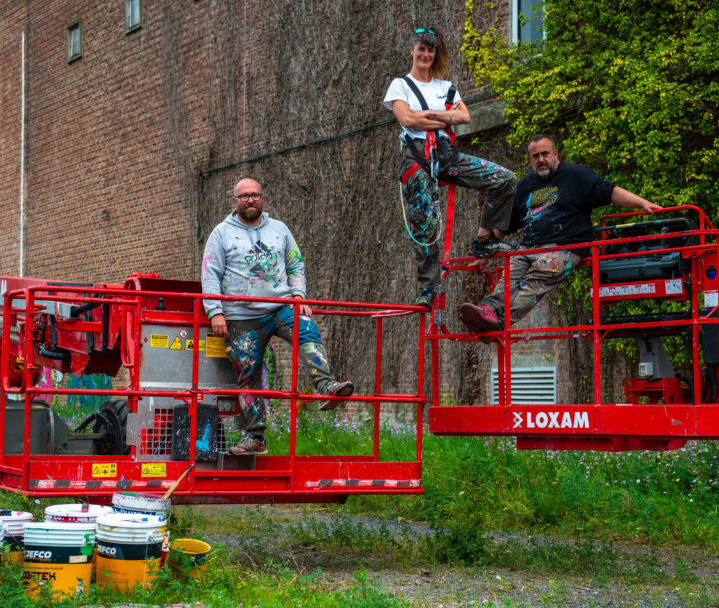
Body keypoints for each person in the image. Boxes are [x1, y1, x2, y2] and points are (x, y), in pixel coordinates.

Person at [201, 178, 353, 455]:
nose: (250, 200)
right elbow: (210, 273)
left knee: (307, 329)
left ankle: (326, 386)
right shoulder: (221, 233)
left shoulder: (279, 230)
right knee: (248, 373)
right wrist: (215, 312)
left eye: (255, 195)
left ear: (263, 198)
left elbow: (295, 264)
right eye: (244, 196)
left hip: (280, 306)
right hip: (240, 314)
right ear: (234, 201)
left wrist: (298, 297)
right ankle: (256, 438)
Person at [458, 135, 662, 339]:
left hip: (565, 247)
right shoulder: (525, 186)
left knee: (535, 280)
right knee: (510, 274)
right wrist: (483, 252)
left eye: (545, 154)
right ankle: (488, 311)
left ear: (555, 154)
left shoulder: (575, 175)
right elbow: (505, 224)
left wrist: (642, 203)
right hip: (530, 247)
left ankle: (499, 324)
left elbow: (610, 192)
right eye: (535, 156)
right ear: (530, 159)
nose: (541, 160)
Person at [383, 27, 517, 308]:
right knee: (426, 223)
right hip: (417, 157)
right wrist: (445, 117)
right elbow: (407, 120)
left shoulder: (446, 87)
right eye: (421, 48)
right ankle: (427, 289)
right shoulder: (401, 86)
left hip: (446, 156)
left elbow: (465, 116)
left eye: (430, 50)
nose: (426, 54)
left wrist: (429, 115)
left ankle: (483, 241)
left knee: (504, 179)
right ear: (412, 50)